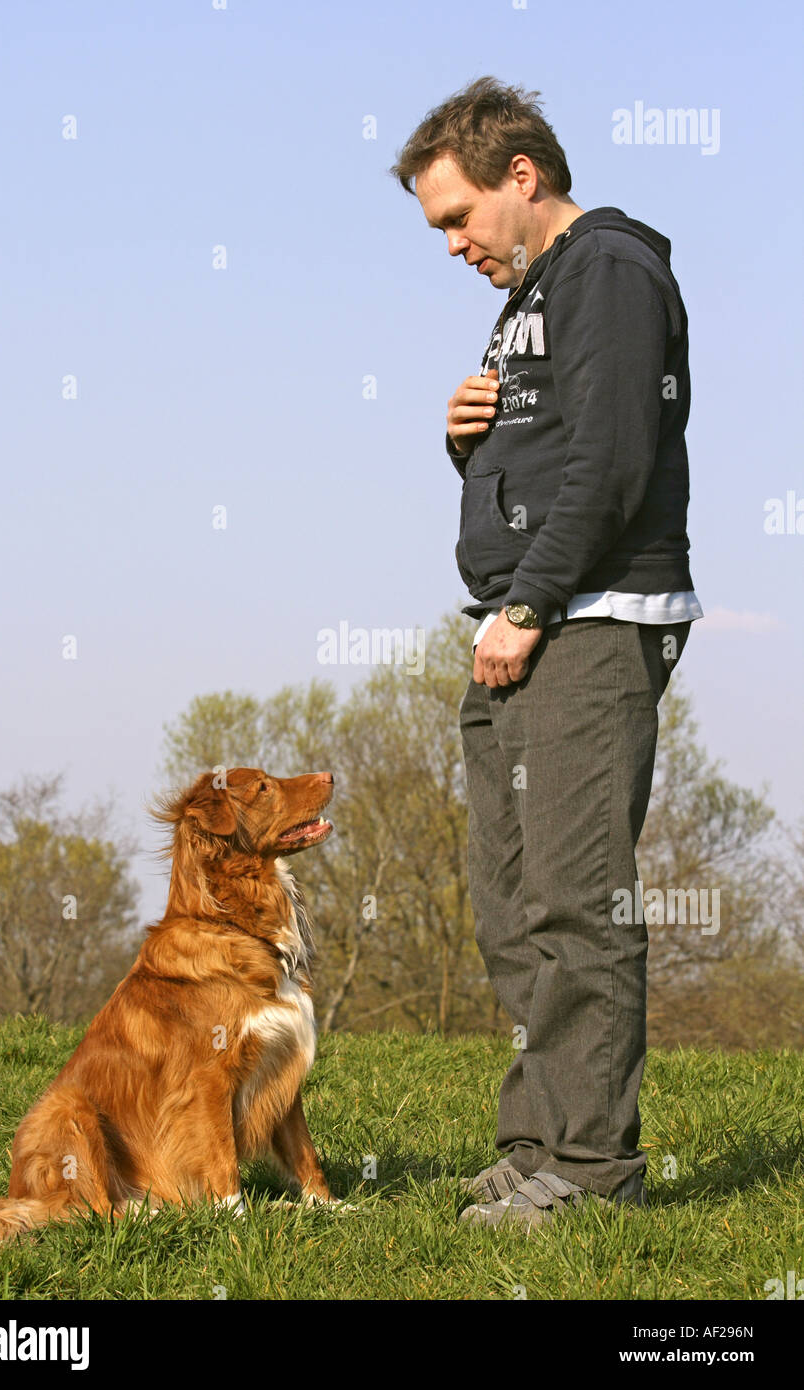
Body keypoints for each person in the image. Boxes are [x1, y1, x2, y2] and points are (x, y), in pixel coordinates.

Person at [390, 77, 702, 1229]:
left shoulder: (609, 270)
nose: (453, 244)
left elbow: (613, 459)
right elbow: (546, 458)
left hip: (588, 617)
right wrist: (463, 436)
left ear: (521, 177)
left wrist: (525, 607)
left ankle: (589, 1168)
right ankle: (532, 1142)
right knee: (510, 900)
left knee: (575, 899)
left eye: (456, 217)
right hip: (523, 617)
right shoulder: (531, 292)